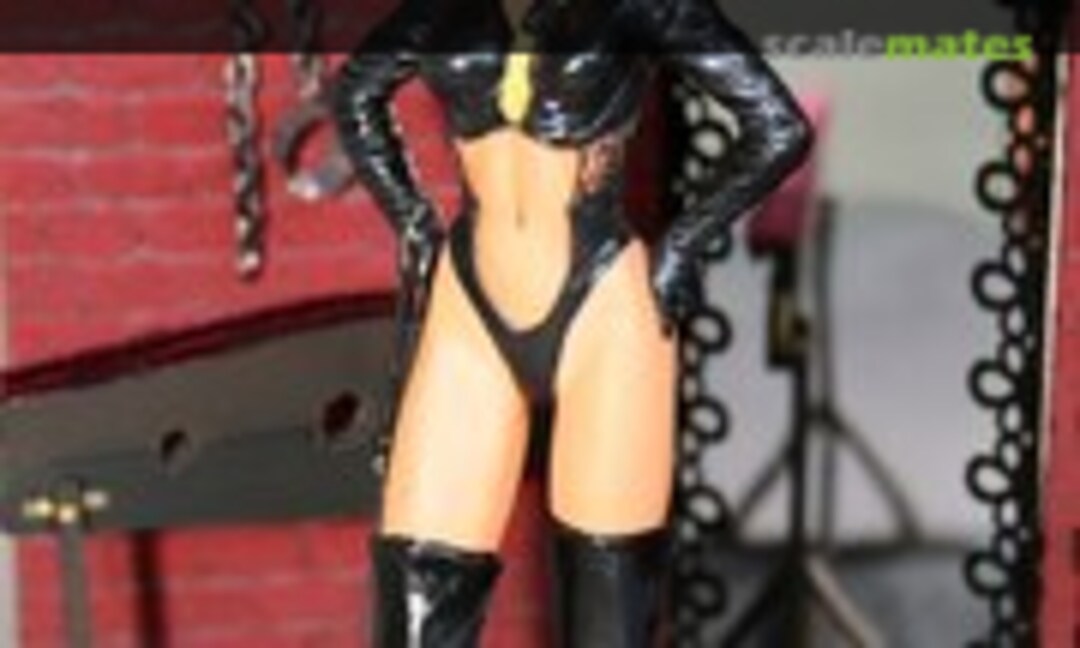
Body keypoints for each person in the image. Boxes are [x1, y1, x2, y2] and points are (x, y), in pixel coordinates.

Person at [333, 0, 813, 645]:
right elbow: (355, 91)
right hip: (470, 304)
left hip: (603, 307)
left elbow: (778, 126)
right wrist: (413, 223)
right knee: (414, 598)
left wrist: (684, 244)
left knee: (607, 616)